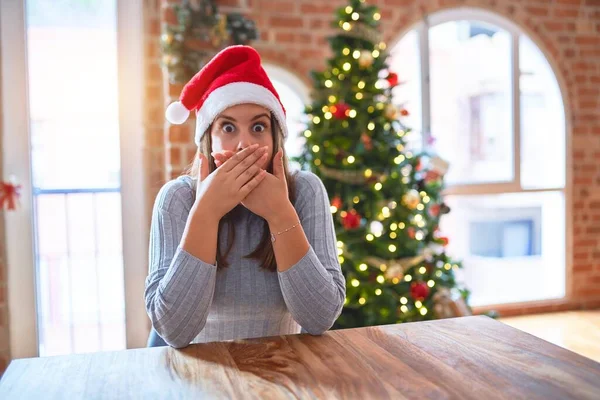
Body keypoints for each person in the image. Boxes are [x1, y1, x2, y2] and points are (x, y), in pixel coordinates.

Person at [144, 45, 346, 348]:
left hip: (281, 372)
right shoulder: (176, 199)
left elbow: (320, 317)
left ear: (275, 137)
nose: (243, 145)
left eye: (258, 127)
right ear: (207, 141)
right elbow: (173, 330)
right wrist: (205, 212)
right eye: (228, 127)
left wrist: (280, 214)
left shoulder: (305, 191)